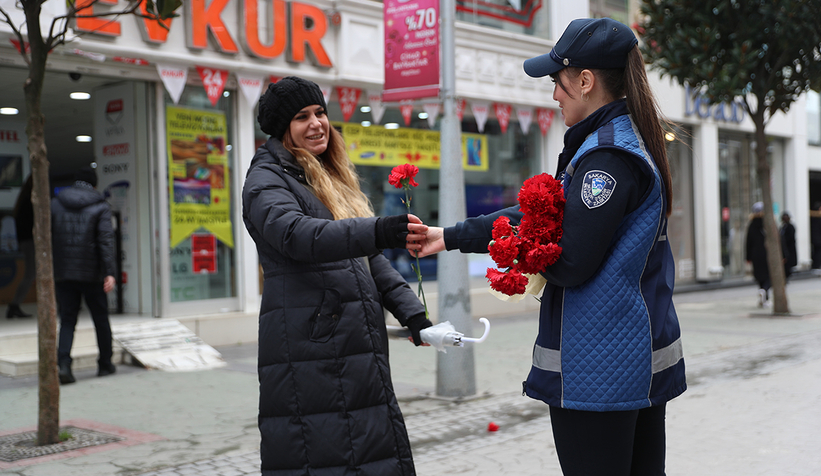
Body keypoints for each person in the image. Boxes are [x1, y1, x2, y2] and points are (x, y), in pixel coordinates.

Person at [414, 18, 686, 476]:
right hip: (622, 364)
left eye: (557, 82)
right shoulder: (615, 143)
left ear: (585, 80)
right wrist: (453, 236)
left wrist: (530, 255)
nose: (554, 95)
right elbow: (552, 221)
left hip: (602, 374)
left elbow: (571, 259)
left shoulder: (606, 159)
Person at [242, 76, 432, 475]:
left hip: (352, 344)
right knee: (324, 450)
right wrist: (378, 229)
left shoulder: (326, 176)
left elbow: (369, 259)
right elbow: (299, 236)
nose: (316, 123)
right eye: (301, 117)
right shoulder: (266, 181)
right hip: (311, 347)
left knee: (367, 446)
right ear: (282, 129)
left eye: (320, 112)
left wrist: (413, 315)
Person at [52, 165, 117, 384]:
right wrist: (109, 272)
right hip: (92, 274)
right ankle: (105, 364)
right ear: (94, 184)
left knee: (67, 320)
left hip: (63, 273)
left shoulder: (55, 204)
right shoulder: (100, 205)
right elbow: (105, 240)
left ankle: (64, 365)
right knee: (100, 318)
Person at [7, 175, 34, 318]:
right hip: (30, 243)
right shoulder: (28, 203)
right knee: (30, 275)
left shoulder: (22, 202)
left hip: (26, 242)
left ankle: (14, 305)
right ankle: (14, 305)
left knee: (31, 275)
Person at [746, 202, 770, 307]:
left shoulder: (751, 225)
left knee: (759, 275)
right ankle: (764, 291)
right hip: (766, 253)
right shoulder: (767, 224)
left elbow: (748, 242)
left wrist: (748, 257)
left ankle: (763, 296)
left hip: (755, 254)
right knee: (769, 275)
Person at [780, 211, 797, 280]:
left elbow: (790, 237)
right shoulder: (782, 227)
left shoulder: (790, 227)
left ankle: (788, 272)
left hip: (789, 247)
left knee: (789, 260)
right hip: (784, 247)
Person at [812, 201, 821, 273]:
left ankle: (816, 265)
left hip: (815, 239)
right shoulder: (818, 218)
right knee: (818, 252)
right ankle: (817, 265)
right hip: (818, 239)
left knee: (816, 252)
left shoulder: (813, 218)